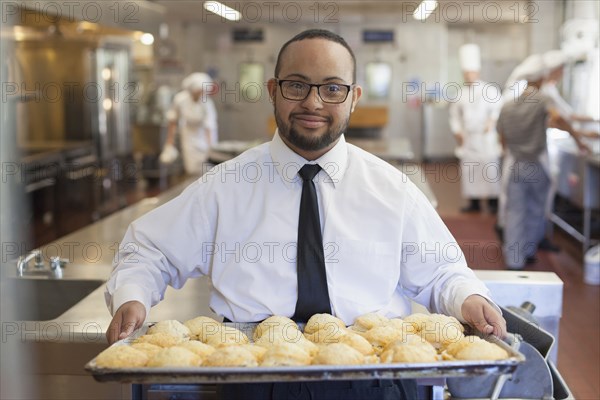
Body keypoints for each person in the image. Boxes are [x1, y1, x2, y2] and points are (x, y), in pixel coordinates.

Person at [106, 29, 506, 399]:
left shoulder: (391, 189)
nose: (313, 102)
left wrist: (468, 298)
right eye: (297, 85)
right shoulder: (225, 186)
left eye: (333, 88)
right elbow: (149, 250)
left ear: (354, 97)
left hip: (375, 376)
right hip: (257, 377)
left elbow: (442, 272)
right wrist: (133, 296)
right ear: (272, 91)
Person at [496, 54, 588, 270]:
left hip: (515, 164)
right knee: (536, 209)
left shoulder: (508, 105)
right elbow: (560, 118)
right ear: (540, 79)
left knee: (515, 211)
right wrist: (578, 140)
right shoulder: (542, 99)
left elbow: (501, 139)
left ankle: (514, 260)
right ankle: (528, 251)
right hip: (536, 165)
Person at [449, 44, 502, 213]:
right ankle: (474, 202)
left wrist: (492, 121)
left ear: (478, 72)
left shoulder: (490, 90)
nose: (469, 76)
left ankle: (494, 202)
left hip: (486, 138)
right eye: (466, 73)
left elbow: (498, 109)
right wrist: (457, 131)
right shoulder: (460, 94)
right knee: (471, 171)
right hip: (469, 138)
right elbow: (454, 116)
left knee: (490, 169)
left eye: (471, 72)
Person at [159, 72, 218, 175]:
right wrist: (169, 142)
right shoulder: (180, 99)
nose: (201, 93)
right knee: (191, 168)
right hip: (188, 136)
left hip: (204, 136)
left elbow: (209, 126)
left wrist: (211, 148)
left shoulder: (207, 103)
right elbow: (173, 120)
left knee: (207, 170)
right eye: (199, 90)